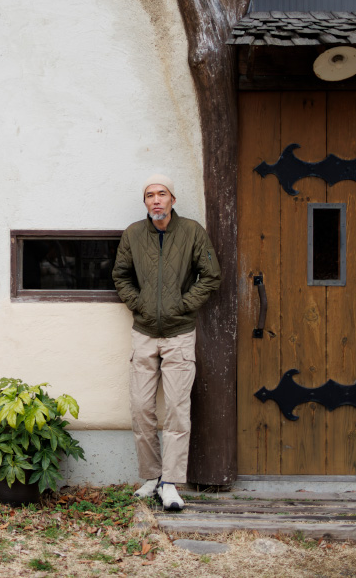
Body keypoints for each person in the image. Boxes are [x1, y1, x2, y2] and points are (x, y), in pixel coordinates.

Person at [112, 175, 221, 511]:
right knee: (141, 408)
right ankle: (151, 476)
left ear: (173, 199)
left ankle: (170, 482)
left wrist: (183, 305)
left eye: (161, 194)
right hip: (144, 332)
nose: (155, 200)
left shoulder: (192, 232)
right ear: (145, 203)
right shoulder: (133, 234)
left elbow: (211, 275)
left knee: (176, 409)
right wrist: (140, 303)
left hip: (179, 335)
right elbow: (121, 276)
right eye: (149, 195)